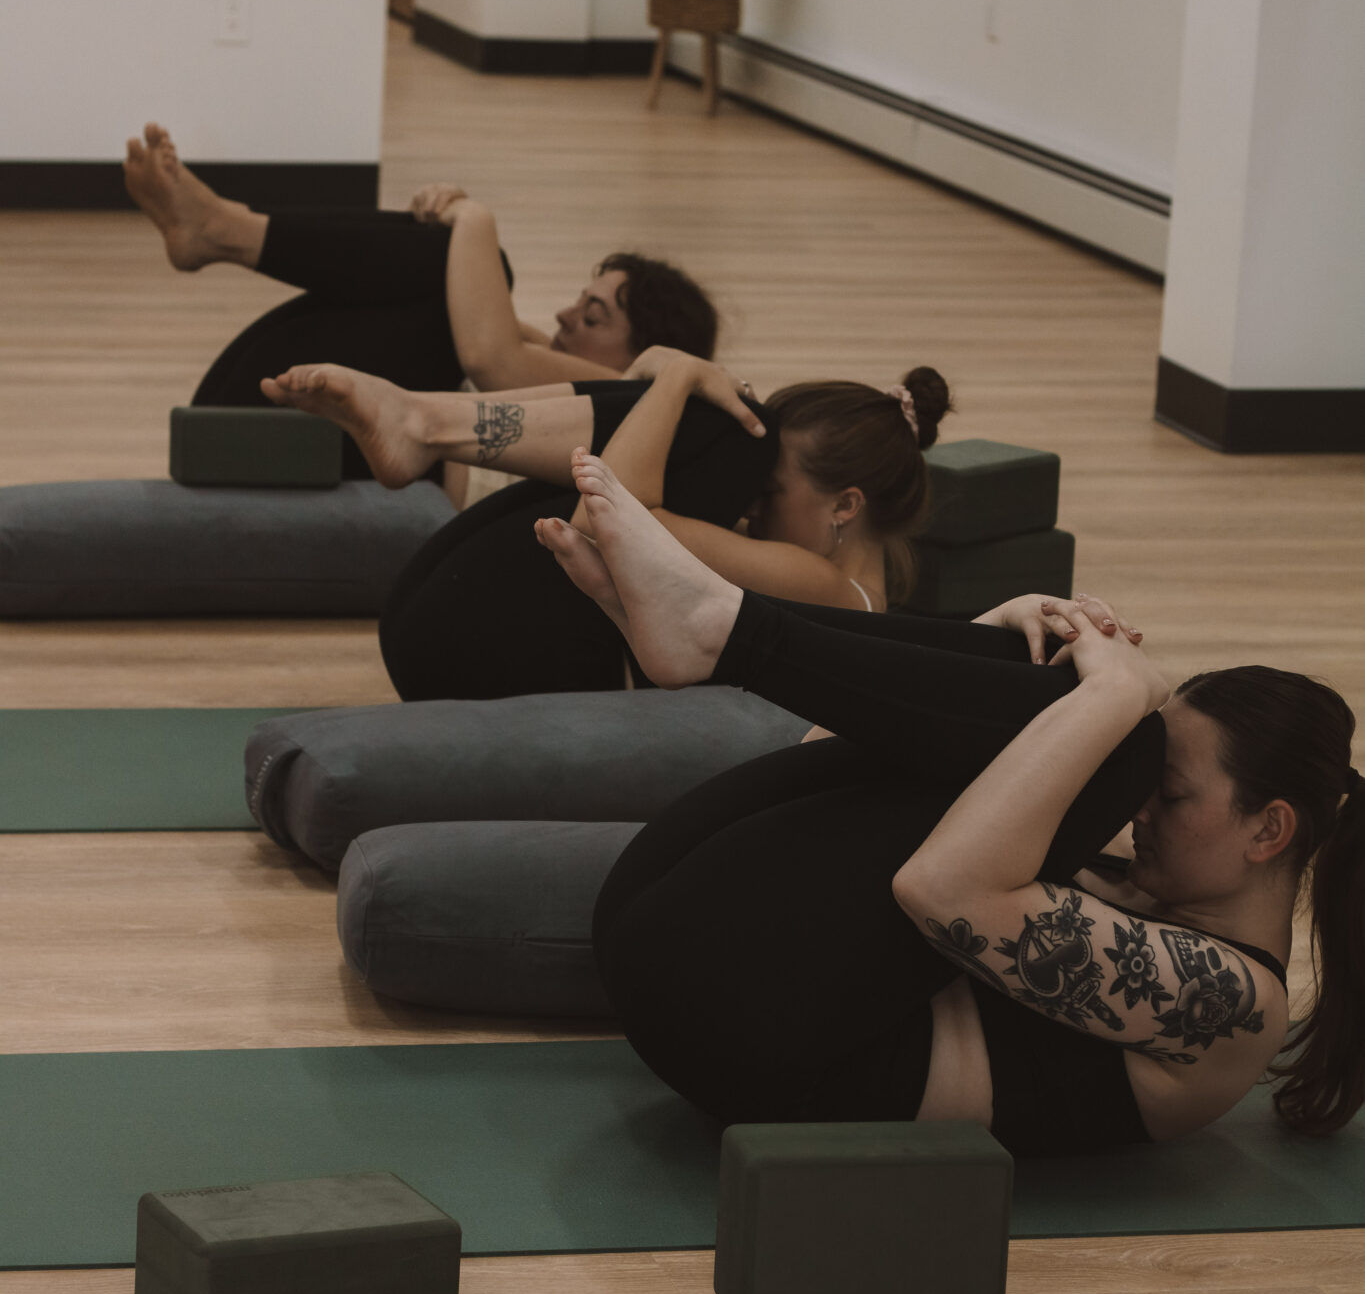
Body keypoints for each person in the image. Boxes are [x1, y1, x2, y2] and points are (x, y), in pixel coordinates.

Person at [532, 450, 1364, 1155]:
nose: (1142, 811)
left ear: (1269, 829)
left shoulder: (1236, 1007)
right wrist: (987, 637)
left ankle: (722, 631)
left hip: (747, 1045)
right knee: (1035, 676)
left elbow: (939, 892)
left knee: (1117, 741)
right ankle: (710, 630)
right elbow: (828, 775)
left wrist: (1111, 707)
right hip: (674, 952)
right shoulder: (1141, 887)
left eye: (1172, 796)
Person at [261, 348, 952, 700]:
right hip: (450, 639)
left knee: (723, 431)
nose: (752, 506)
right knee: (712, 429)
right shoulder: (831, 578)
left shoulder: (831, 590)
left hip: (493, 659)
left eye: (770, 490)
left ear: (846, 506)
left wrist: (678, 379)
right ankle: (422, 422)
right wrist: (667, 374)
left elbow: (614, 520)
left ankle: (426, 422)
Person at [121, 122, 719, 481]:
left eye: (593, 317)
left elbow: (493, 358)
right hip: (246, 420)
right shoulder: (573, 381)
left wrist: (471, 215)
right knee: (453, 275)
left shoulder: (627, 398)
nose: (565, 316)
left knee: (471, 269)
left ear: (648, 354)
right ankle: (224, 231)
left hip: (269, 437)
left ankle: (226, 230)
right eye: (577, 302)